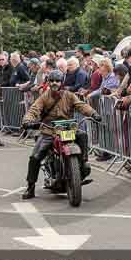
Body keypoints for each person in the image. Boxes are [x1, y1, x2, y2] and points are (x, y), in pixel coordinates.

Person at [20, 70, 101, 200]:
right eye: (51, 81)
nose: (54, 83)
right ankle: (30, 186)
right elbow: (34, 109)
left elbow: (81, 106)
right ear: (48, 82)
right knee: (35, 157)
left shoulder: (69, 95)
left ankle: (83, 163)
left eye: (57, 81)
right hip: (49, 130)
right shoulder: (44, 97)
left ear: (61, 82)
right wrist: (27, 121)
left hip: (68, 129)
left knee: (82, 135)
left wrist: (93, 113)